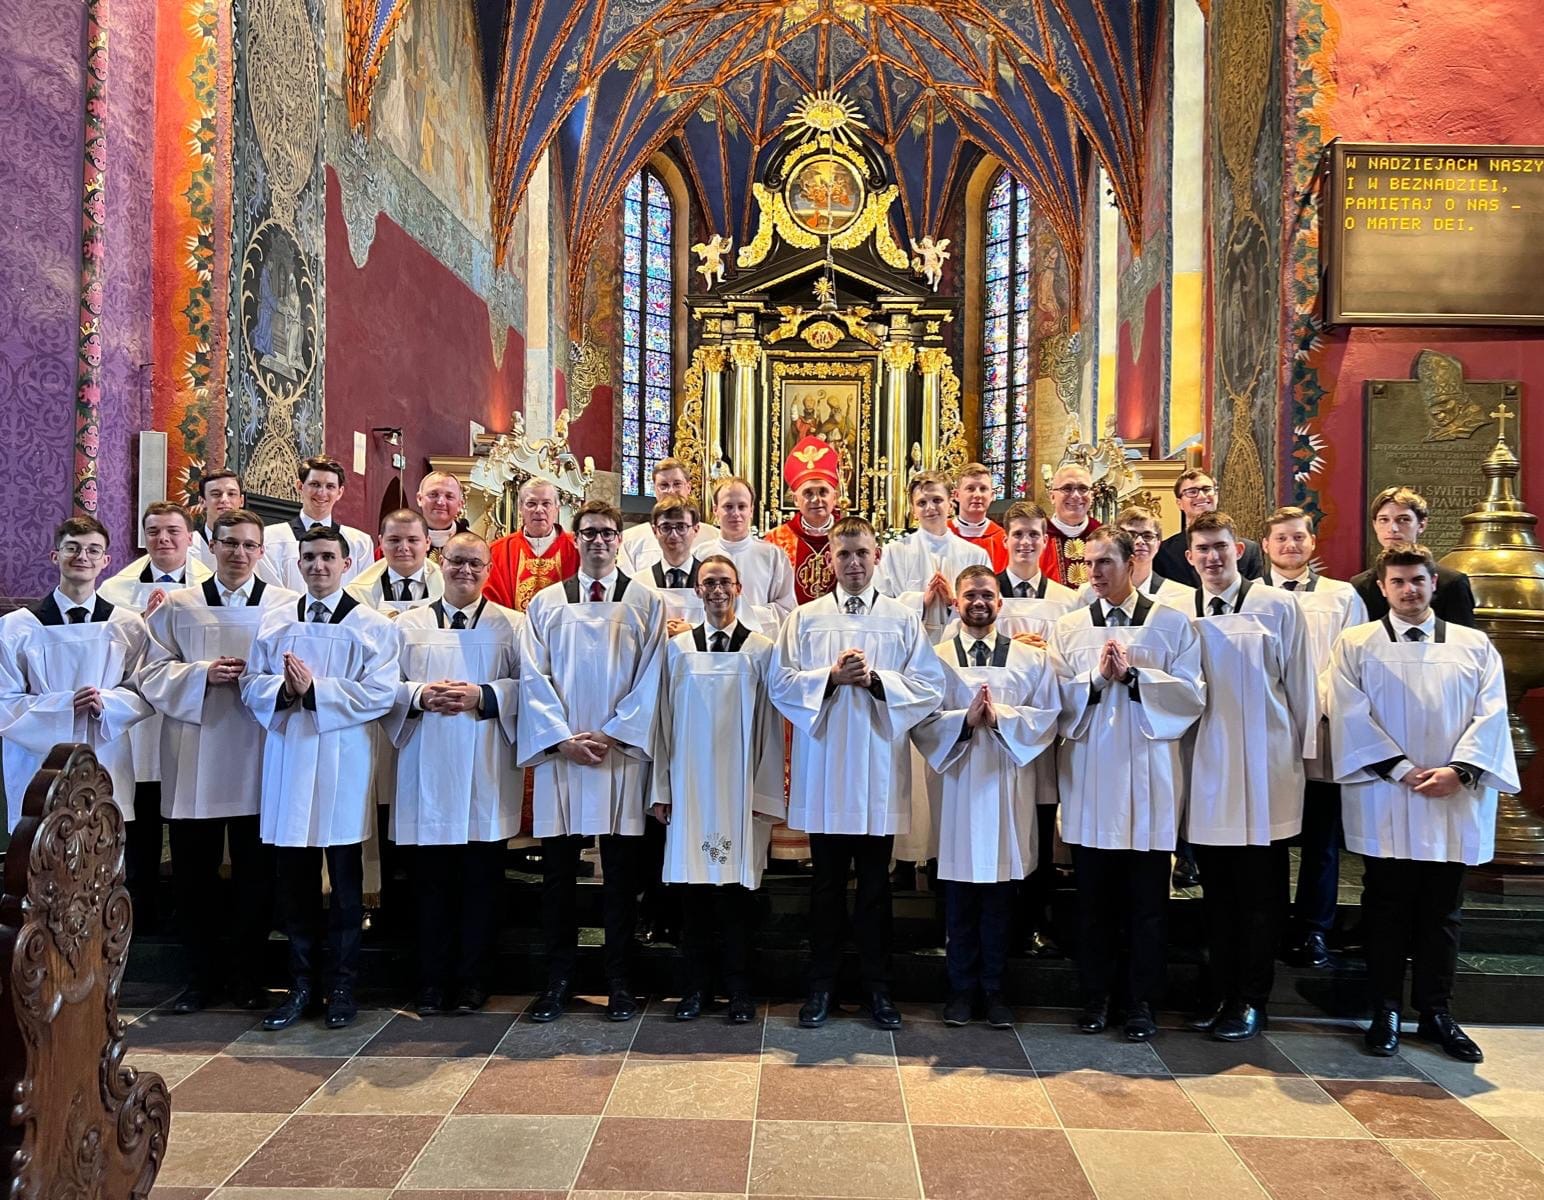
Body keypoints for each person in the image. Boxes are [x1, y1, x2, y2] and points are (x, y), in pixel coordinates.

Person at [1328, 544, 1517, 1063]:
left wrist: (1461, 771)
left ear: (1434, 583)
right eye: (1398, 582)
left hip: (1453, 797)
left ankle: (1437, 1012)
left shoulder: (1474, 645)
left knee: (1442, 912)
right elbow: (1346, 710)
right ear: (1382, 588)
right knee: (1386, 908)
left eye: (1417, 580)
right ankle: (1385, 1010)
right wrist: (1397, 767)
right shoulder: (1357, 643)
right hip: (1388, 792)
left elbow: (1492, 713)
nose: (1408, 590)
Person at [770, 516, 945, 1030]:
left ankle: (878, 989)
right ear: (829, 558)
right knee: (825, 887)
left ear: (877, 557)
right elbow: (779, 683)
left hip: (876, 771)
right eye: (843, 554)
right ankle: (820, 987)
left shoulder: (900, 619)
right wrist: (828, 677)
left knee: (875, 889)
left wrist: (876, 682)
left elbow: (929, 686)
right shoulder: (804, 619)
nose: (853, 563)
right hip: (825, 769)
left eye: (862, 553)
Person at [136, 508, 298, 1013]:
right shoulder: (178, 606)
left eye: (249, 545)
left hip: (259, 749)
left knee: (256, 876)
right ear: (211, 545)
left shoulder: (285, 605)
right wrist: (201, 674)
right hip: (196, 751)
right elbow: (149, 673)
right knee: (194, 876)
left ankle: (248, 977)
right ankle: (199, 979)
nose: (239, 554)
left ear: (262, 551)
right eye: (230, 543)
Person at [241, 526, 401, 1031]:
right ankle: (301, 986)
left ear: (346, 563)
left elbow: (381, 693)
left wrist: (315, 691)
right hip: (290, 756)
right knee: (295, 884)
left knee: (347, 886)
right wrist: (284, 692)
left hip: (341, 759)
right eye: (309, 557)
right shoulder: (276, 621)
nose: (318, 566)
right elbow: (250, 682)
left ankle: (343, 986)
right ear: (298, 564)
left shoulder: (371, 625)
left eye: (328, 557)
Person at [1052, 528, 1205, 1040]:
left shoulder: (1171, 623)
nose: (1094, 573)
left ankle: (1141, 1003)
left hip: (1149, 777)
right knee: (1094, 903)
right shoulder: (1070, 627)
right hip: (1092, 774)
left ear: (1131, 562)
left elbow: (1191, 695)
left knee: (1147, 904)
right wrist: (1097, 680)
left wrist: (1136, 678)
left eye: (1105, 563)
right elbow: (1052, 701)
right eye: (1089, 564)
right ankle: (1095, 997)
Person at [518, 500, 667, 1024]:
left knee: (621, 878)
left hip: (619, 755)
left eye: (607, 532)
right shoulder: (546, 603)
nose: (598, 540)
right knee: (558, 879)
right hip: (564, 757)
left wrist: (611, 733)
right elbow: (532, 676)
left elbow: (653, 677)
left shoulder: (645, 602)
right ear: (575, 539)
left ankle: (619, 981)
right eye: (589, 533)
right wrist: (561, 740)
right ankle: (557, 981)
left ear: (620, 540)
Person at [1184, 512, 1317, 1042]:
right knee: (1217, 893)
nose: (1212, 557)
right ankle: (1220, 989)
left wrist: (1303, 760)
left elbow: (1302, 685)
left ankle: (1252, 998)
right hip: (1207, 765)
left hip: (1267, 765)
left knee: (1261, 894)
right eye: (1202, 549)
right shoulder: (1178, 611)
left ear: (1238, 550)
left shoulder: (1276, 605)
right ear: (1190, 557)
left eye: (1220, 546)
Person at [914, 566, 1058, 1028]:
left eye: (987, 595)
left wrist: (1000, 719)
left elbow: (1047, 717)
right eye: (970, 595)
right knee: (958, 896)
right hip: (957, 789)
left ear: (1000, 602)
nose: (979, 602)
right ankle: (960, 990)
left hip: (1006, 789)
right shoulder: (934, 658)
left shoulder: (1030, 659)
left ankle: (994, 990)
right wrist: (962, 721)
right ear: (955, 602)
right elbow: (921, 721)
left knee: (1000, 897)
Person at [386, 531, 522, 1015]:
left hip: (486, 768)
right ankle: (430, 982)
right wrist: (418, 695)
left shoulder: (512, 625)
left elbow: (531, 686)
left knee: (482, 886)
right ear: (440, 562)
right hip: (427, 767)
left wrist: (484, 695)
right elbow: (382, 686)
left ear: (489, 570)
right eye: (457, 560)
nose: (465, 570)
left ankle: (473, 982)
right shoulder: (407, 625)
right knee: (430, 886)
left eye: (475, 563)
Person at [650, 554, 784, 1024]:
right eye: (708, 582)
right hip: (690, 788)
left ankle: (739, 990)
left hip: (739, 791)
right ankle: (695, 988)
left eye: (725, 582)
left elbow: (770, 728)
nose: (717, 590)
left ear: (739, 588)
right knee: (695, 895)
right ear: (698, 590)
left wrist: (766, 794)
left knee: (736, 897)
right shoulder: (677, 650)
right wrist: (661, 787)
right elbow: (662, 722)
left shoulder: (762, 650)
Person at [1262, 506, 1368, 969]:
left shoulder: (1340, 596)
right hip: (1268, 734)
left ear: (1312, 542)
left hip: (1324, 729)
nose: (1290, 545)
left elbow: (1353, 660)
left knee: (1320, 839)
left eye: (1298, 537)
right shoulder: (1252, 596)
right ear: (1265, 545)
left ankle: (1314, 929)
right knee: (1269, 838)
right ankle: (1268, 924)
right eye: (1281, 538)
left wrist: (1314, 703)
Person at [99, 500, 213, 930]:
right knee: (141, 817)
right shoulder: (115, 591)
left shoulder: (209, 587)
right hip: (139, 725)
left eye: (172, 531)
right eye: (153, 532)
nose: (163, 539)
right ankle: (140, 909)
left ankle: (190, 910)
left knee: (188, 822)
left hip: (190, 717)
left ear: (190, 538)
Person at [0, 516, 152, 833]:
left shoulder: (127, 626)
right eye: (72, 548)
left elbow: (142, 688)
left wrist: (106, 704)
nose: (83, 556)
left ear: (105, 561)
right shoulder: (17, 627)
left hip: (105, 753)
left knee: (100, 842)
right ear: (55, 556)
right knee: (41, 846)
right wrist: (65, 705)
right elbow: (4, 701)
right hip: (38, 761)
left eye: (93, 550)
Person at [875, 471, 989, 874]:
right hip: (909, 664)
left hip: (956, 663)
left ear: (951, 501)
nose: (930, 508)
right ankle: (907, 855)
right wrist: (920, 601)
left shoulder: (972, 552)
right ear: (912, 508)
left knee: (949, 753)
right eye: (922, 502)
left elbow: (985, 604)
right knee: (909, 760)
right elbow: (883, 605)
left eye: (937, 500)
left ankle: (943, 851)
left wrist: (956, 601)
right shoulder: (897, 551)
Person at [763, 435, 846, 865]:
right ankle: (787, 844)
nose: (816, 499)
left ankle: (833, 838)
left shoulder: (853, 540)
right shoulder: (774, 543)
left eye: (823, 490)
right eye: (808, 491)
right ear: (795, 497)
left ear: (836, 494)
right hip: (796, 664)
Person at [1349, 486, 1477, 626]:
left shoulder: (1452, 583)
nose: (1393, 529)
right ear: (1374, 525)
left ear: (1421, 525)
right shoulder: (1359, 585)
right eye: (1384, 520)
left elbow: (1463, 636)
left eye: (1403, 519)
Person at [691, 475, 796, 636]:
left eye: (742, 506)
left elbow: (787, 609)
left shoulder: (772, 556)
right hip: (711, 641)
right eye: (728, 506)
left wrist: (740, 614)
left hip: (758, 641)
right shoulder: (700, 554)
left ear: (751, 510)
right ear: (715, 510)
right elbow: (692, 605)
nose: (736, 513)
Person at [260, 455, 376, 590]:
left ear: (340, 492)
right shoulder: (270, 538)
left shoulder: (360, 543)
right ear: (300, 486)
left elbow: (363, 593)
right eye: (315, 484)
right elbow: (270, 594)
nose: (321, 493)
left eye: (330, 486)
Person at [1152, 469, 1265, 588]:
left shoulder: (1249, 550)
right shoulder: (1162, 552)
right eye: (1192, 492)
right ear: (1179, 503)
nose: (1201, 496)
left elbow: (1253, 593)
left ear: (1216, 496)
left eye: (1207, 489)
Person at [485, 478, 580, 612]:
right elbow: (490, 602)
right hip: (512, 625)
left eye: (546, 504)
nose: (539, 510)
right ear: (520, 508)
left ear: (557, 508)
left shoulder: (578, 547)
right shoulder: (497, 551)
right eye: (531, 504)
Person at [1078, 507, 1196, 612]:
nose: (1140, 541)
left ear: (1158, 544)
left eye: (1148, 536)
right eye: (1131, 535)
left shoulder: (1183, 596)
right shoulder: (1089, 593)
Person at [619, 457, 718, 575]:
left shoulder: (713, 537)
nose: (671, 491)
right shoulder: (630, 540)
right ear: (655, 490)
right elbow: (626, 584)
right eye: (664, 485)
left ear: (688, 487)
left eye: (677, 484)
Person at [350, 508, 446, 607]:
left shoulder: (447, 585)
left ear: (427, 542)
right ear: (381, 542)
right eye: (394, 540)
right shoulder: (358, 591)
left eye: (412, 540)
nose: (404, 548)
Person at [638, 495, 705, 635]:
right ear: (655, 531)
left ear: (696, 529)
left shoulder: (712, 581)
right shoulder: (640, 582)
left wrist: (692, 630)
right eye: (665, 527)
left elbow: (727, 626)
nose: (674, 535)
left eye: (681, 527)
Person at [1039, 464, 1101, 586]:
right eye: (1067, 488)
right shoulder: (1037, 539)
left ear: (1092, 496)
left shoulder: (1105, 537)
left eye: (1083, 488)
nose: (1076, 495)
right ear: (1052, 497)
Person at [949, 462, 1009, 571]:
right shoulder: (940, 534)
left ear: (992, 496)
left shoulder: (1003, 539)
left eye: (983, 489)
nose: (977, 495)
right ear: (956, 495)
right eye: (970, 488)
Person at [189, 469, 246, 571]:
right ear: (202, 501)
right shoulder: (187, 547)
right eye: (216, 494)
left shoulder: (255, 547)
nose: (224, 500)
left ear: (241, 501)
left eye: (231, 494)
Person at [417, 470, 470, 562]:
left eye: (449, 496)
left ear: (460, 505)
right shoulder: (401, 539)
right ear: (419, 499)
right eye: (433, 494)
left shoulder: (472, 544)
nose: (440, 502)